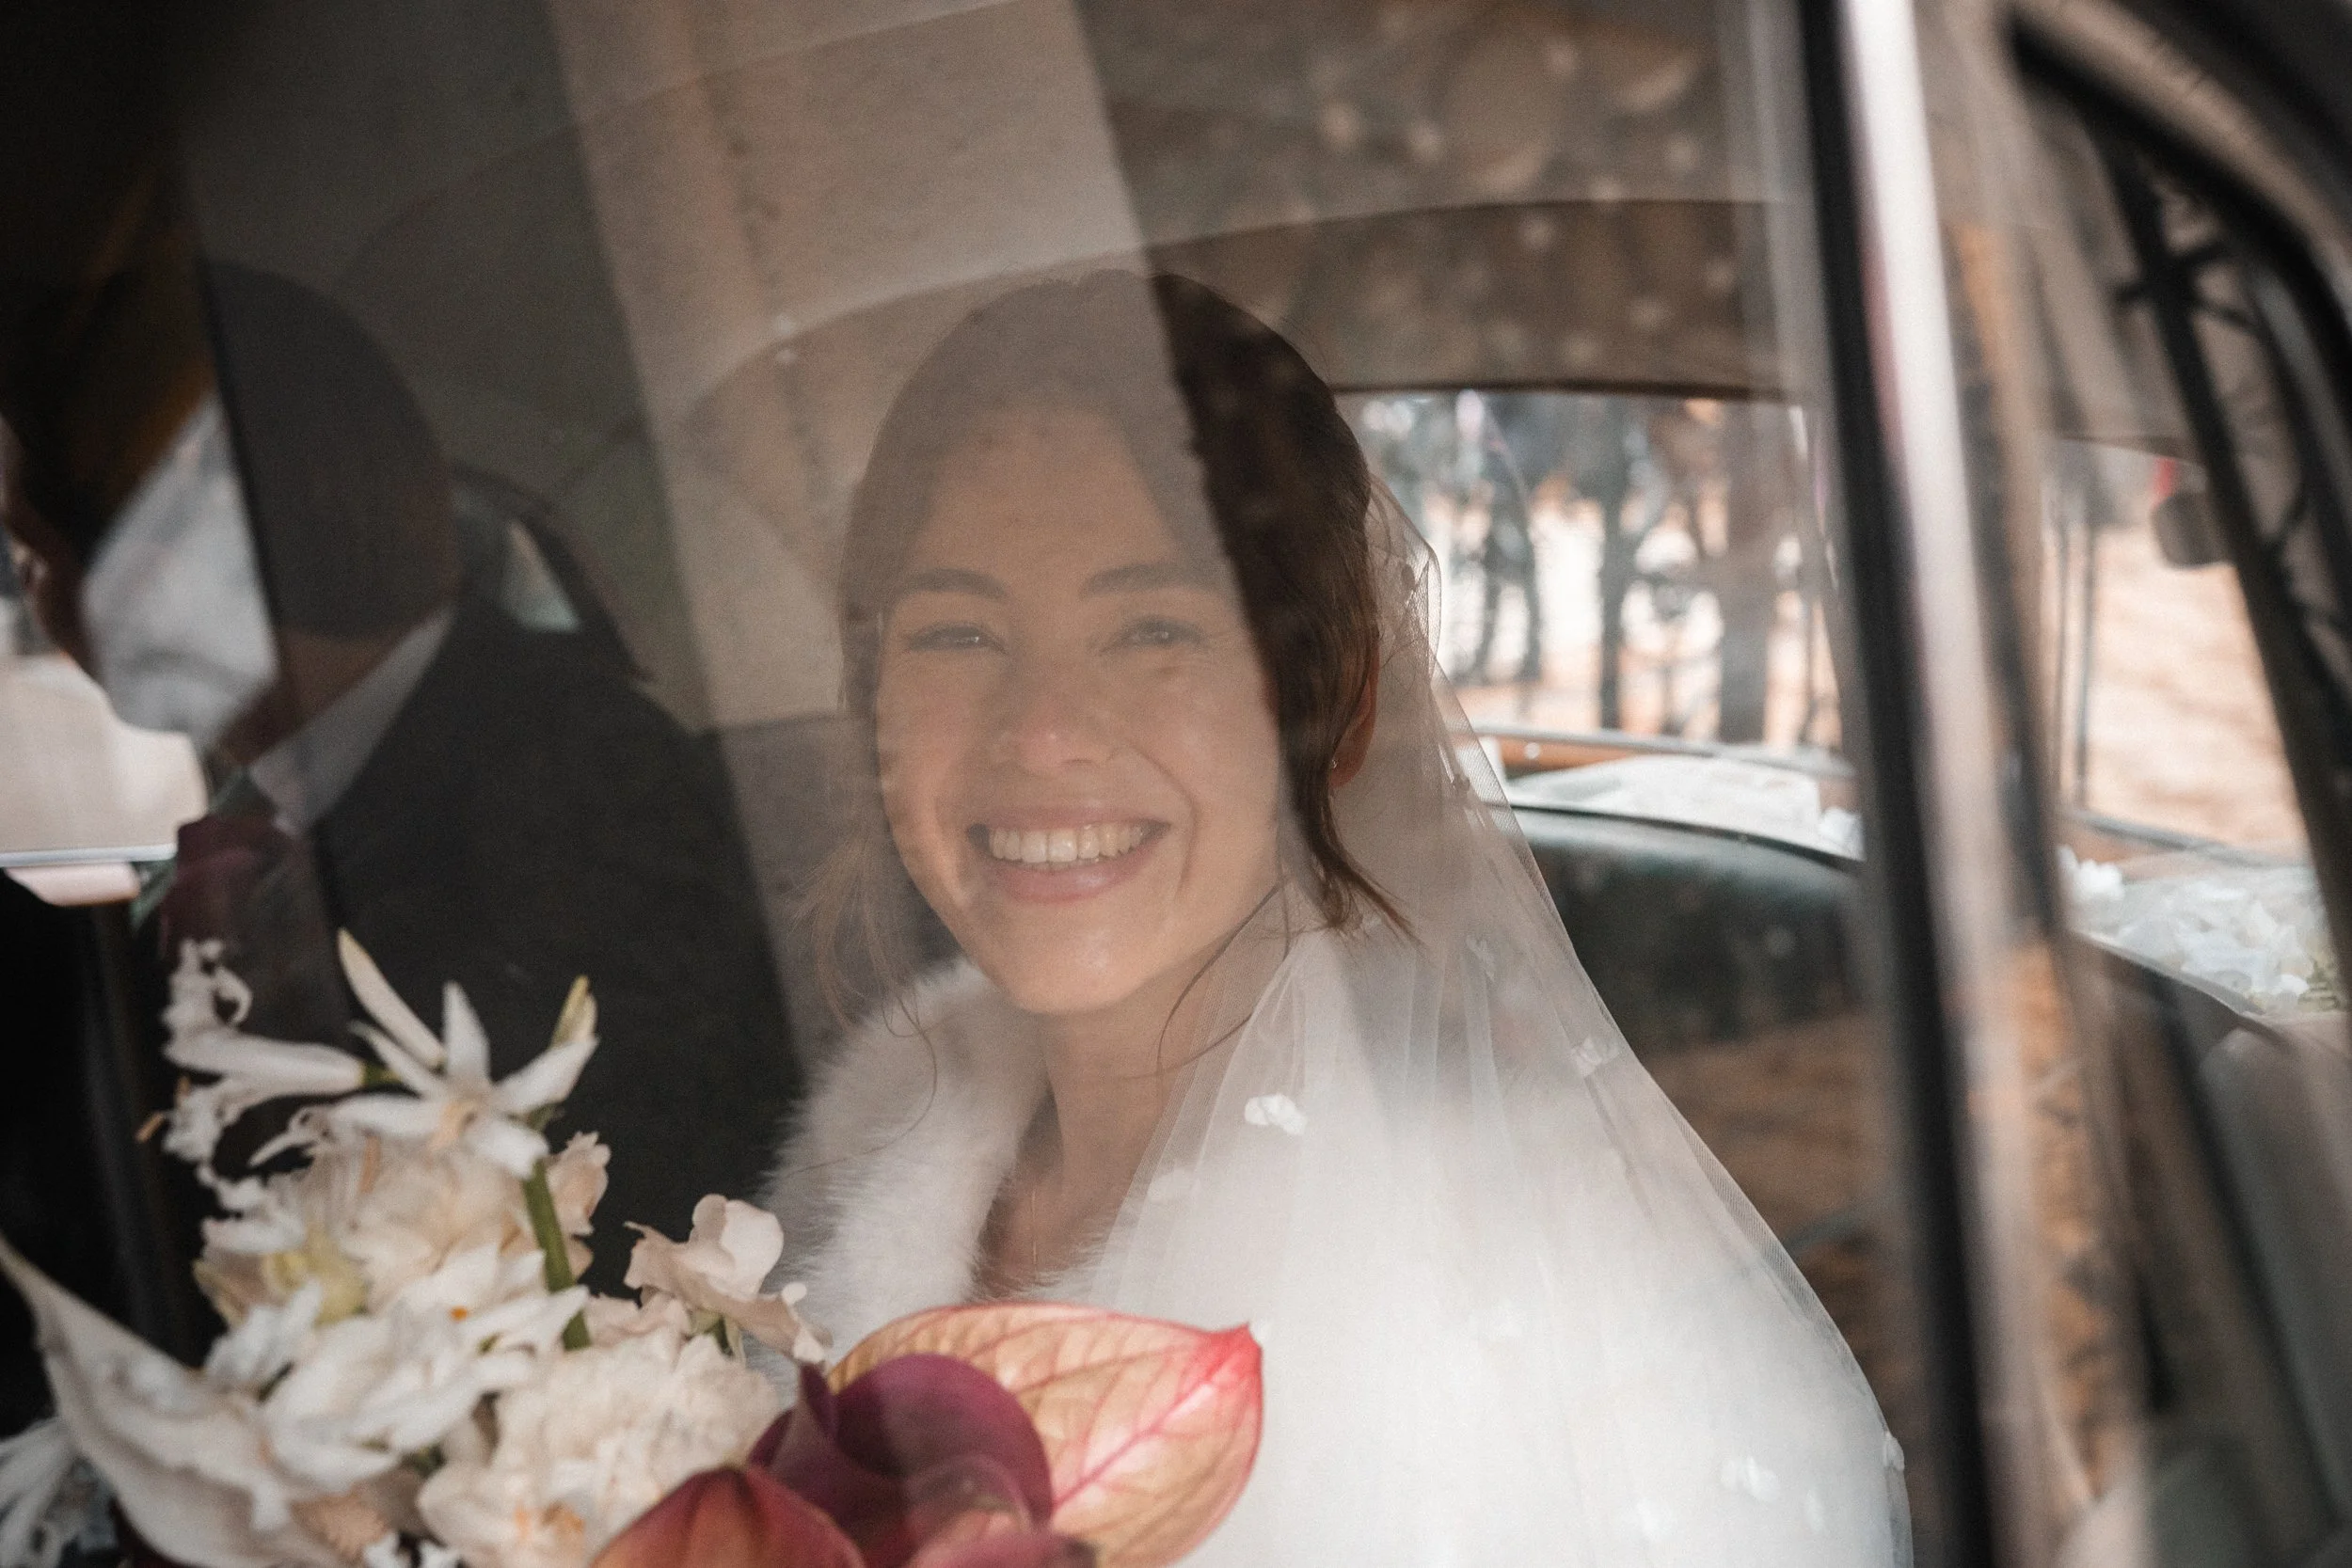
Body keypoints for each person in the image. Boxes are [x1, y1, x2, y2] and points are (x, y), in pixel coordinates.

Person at [766, 274, 1909, 1565]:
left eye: (1152, 627)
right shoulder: (868, 1135)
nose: (1040, 731)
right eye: (960, 633)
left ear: (1338, 698)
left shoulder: (1537, 1326)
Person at [1, 253, 800, 1270]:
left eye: (34, 552)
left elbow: (589, 1231)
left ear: (166, 549)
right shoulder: (326, 788)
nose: (35, 599)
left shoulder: (569, 799)